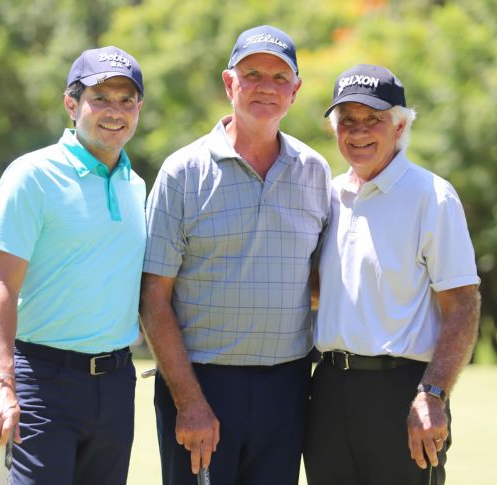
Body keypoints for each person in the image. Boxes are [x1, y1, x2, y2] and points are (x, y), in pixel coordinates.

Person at [140, 25, 331, 485]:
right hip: (201, 384)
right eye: (253, 74)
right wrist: (189, 401)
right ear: (230, 84)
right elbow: (153, 298)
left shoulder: (316, 173)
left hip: (287, 387)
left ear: (296, 91)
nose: (266, 86)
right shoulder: (182, 173)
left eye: (280, 77)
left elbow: (321, 282)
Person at [303, 64, 482, 485]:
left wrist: (433, 394)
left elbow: (462, 305)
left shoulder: (431, 196)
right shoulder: (327, 195)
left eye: (374, 119)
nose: (358, 130)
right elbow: (323, 290)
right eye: (347, 119)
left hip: (404, 392)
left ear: (399, 127)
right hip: (327, 391)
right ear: (335, 129)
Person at [0, 45, 147, 484]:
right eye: (101, 98)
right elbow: (0, 284)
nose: (115, 111)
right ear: (71, 104)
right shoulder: (31, 175)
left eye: (126, 100)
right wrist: (1, 384)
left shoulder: (137, 187)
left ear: (139, 108)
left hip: (115, 385)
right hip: (43, 382)